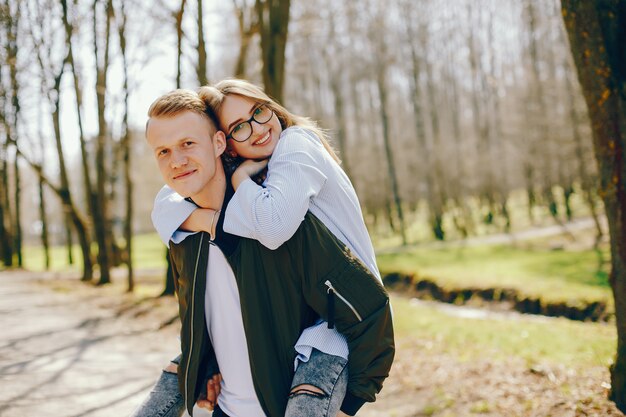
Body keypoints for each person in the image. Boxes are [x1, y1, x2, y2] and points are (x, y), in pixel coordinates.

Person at [134, 89, 394, 417]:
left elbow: (371, 310)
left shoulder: (277, 225)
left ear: (218, 144)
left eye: (188, 144)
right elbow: (212, 315)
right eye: (163, 151)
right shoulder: (185, 235)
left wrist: (350, 405)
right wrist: (206, 363)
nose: (177, 161)